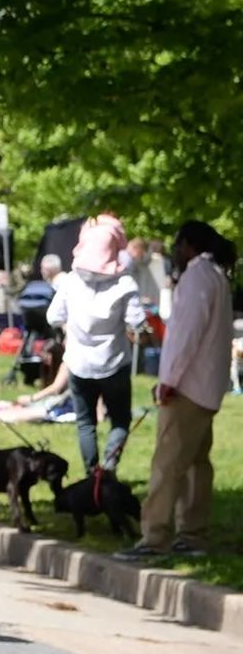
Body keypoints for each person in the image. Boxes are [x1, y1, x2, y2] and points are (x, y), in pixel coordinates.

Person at [121, 222, 236, 560]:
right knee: (197, 464)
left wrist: (168, 379)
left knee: (168, 465)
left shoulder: (198, 276)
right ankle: (192, 535)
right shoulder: (215, 274)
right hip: (205, 386)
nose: (174, 252)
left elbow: (185, 336)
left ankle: (154, 537)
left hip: (187, 387)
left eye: (177, 245)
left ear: (188, 246)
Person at [47, 215, 147, 472]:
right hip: (115, 364)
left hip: (79, 365)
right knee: (120, 421)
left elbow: (53, 316)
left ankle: (93, 474)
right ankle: (109, 467)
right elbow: (137, 321)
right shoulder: (125, 284)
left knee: (85, 423)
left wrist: (72, 326)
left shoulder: (71, 281)